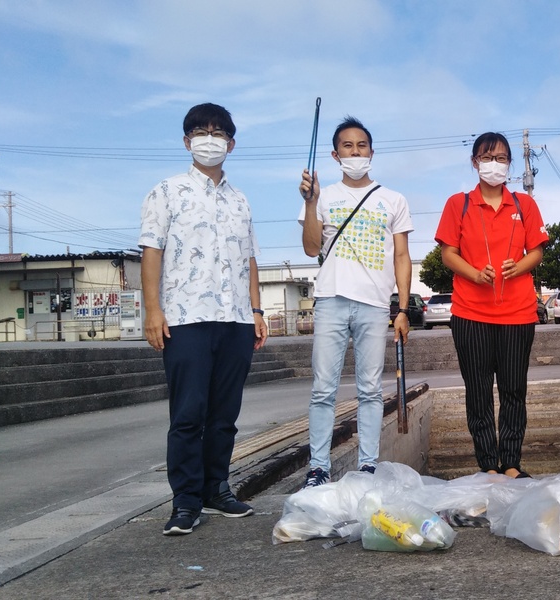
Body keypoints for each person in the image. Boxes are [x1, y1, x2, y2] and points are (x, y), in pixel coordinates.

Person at [139, 103, 268, 536]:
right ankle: (185, 501)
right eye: (199, 131)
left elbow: (249, 260)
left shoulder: (241, 199)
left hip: (235, 320)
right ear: (186, 141)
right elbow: (151, 251)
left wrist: (256, 311)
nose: (208, 138)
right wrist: (153, 311)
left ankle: (216, 490)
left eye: (217, 132)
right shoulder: (167, 191)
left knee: (225, 414)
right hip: (186, 318)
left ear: (231, 143)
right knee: (188, 415)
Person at [298, 116, 413, 488]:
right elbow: (311, 247)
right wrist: (312, 202)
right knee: (323, 389)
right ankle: (318, 468)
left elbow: (401, 257)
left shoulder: (393, 199)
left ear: (372, 152)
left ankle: (367, 466)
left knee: (370, 389)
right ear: (335, 154)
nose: (355, 151)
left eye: (361, 145)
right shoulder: (322, 195)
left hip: (375, 304)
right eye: (347, 146)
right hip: (330, 299)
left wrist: (403, 308)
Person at [435, 132, 548, 478]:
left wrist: (519, 266)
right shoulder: (459, 204)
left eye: (501, 158)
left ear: (510, 164)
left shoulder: (524, 205)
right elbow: (447, 254)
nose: (494, 165)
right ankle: (488, 466)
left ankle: (511, 463)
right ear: (474, 162)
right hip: (471, 314)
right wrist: (474, 274)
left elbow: (538, 252)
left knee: (514, 390)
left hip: (517, 313)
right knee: (479, 392)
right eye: (487, 158)